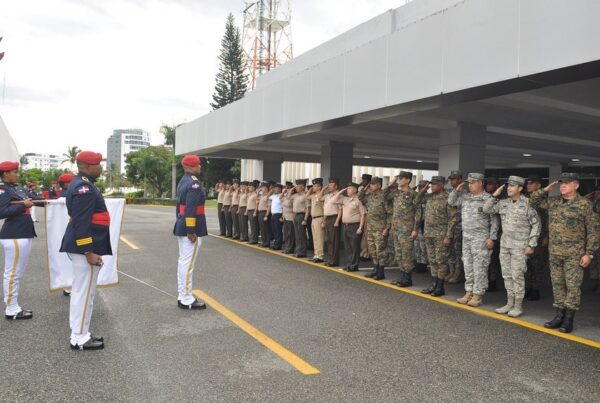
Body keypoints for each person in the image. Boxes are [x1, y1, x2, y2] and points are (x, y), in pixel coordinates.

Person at [530, 173, 599, 333]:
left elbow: (594, 231)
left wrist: (589, 253)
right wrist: (544, 189)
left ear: (576, 185)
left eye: (567, 183)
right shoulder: (554, 202)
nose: (562, 186)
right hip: (555, 253)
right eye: (561, 183)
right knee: (558, 285)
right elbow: (533, 202)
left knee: (572, 287)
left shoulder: (584, 205)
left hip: (574, 255)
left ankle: (569, 319)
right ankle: (559, 316)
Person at [60, 151, 111, 350]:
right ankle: (80, 337)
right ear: (89, 167)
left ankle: (79, 333)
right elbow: (81, 223)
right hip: (85, 248)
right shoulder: (84, 187)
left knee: (83, 291)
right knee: (84, 293)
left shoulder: (81, 182)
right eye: (99, 164)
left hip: (83, 246)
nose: (101, 167)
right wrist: (88, 251)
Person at [483, 176, 540, 318]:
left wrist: (531, 244)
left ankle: (518, 305)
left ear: (520, 188)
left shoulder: (528, 204)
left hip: (520, 247)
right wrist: (495, 195)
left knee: (517, 276)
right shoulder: (503, 203)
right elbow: (486, 209)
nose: (509, 188)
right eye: (508, 186)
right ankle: (509, 303)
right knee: (507, 275)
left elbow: (536, 225)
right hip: (505, 245)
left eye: (512, 186)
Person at [449, 173, 499, 307]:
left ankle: (478, 295)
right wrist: (456, 191)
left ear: (480, 183)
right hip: (467, 237)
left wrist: (492, 238)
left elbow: (494, 221)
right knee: (468, 266)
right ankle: (468, 292)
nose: (469, 185)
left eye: (472, 182)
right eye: (468, 183)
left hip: (481, 238)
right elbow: (451, 202)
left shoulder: (488, 199)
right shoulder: (466, 198)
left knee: (480, 267)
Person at [0, 161, 38, 320]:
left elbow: (35, 199)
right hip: (14, 235)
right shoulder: (3, 190)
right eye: (14, 172)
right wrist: (23, 205)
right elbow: (2, 212)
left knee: (18, 272)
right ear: (5, 174)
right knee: (13, 273)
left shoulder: (17, 188)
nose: (17, 174)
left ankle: (14, 305)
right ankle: (11, 308)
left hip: (23, 233)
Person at [172, 154, 208, 311]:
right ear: (192, 166)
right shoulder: (193, 184)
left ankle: (183, 295)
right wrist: (191, 230)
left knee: (183, 262)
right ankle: (186, 298)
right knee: (187, 264)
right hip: (190, 228)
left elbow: (179, 206)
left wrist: (182, 223)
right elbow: (191, 208)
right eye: (198, 165)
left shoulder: (183, 181)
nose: (200, 167)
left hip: (183, 224)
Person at [415, 176, 457, 297]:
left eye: (434, 184)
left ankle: (440, 287)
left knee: (441, 261)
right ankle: (434, 285)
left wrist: (448, 236)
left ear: (441, 185)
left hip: (441, 235)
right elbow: (416, 201)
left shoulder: (448, 198)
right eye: (431, 184)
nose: (432, 186)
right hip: (429, 234)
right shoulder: (429, 197)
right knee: (432, 260)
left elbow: (452, 219)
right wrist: (423, 190)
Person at [385, 171, 419, 286]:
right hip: (396, 229)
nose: (398, 180)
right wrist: (392, 182)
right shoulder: (396, 193)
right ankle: (402, 276)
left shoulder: (413, 194)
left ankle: (408, 278)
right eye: (398, 178)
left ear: (408, 180)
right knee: (399, 254)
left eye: (401, 178)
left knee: (406, 254)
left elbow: (418, 213)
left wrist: (415, 229)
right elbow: (384, 196)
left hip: (407, 230)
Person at [359, 176, 391, 280]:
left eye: (373, 184)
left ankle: (381, 272)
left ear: (379, 185)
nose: (371, 186)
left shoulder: (384, 196)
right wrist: (365, 187)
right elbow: (360, 197)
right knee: (373, 250)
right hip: (371, 227)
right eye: (370, 184)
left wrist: (387, 228)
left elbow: (389, 214)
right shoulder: (370, 196)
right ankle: (375, 269)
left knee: (380, 251)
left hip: (380, 228)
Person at [524, 175, 549, 301]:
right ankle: (528, 287)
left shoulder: (544, 201)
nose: (528, 185)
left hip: (540, 237)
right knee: (527, 264)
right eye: (528, 183)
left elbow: (551, 219)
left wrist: (547, 236)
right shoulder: (526, 199)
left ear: (539, 186)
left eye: (532, 183)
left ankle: (535, 290)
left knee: (537, 265)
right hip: (527, 237)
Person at [333, 183, 366, 272]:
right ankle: (349, 264)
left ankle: (354, 265)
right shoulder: (345, 199)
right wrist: (341, 191)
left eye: (350, 188)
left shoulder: (358, 201)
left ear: (355, 190)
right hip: (346, 225)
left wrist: (360, 227)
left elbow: (363, 214)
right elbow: (334, 200)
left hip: (355, 226)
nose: (348, 190)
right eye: (347, 189)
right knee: (347, 246)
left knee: (354, 246)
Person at [57, 172, 75, 297]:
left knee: (66, 260)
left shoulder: (59, 200)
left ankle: (67, 286)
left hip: (61, 235)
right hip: (72, 233)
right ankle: (70, 286)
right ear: (66, 184)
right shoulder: (72, 197)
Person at [446, 170, 465, 284]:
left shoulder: (464, 193)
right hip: (449, 225)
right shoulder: (449, 192)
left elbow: (454, 206)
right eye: (451, 179)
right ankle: (451, 270)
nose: (451, 181)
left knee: (458, 250)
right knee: (450, 249)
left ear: (459, 180)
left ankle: (457, 272)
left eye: (454, 179)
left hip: (458, 225)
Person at [485, 177, 502, 292]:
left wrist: (497, 235)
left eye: (491, 184)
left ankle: (493, 281)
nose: (488, 186)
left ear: (497, 186)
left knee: (494, 260)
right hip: (486, 233)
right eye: (487, 184)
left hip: (498, 234)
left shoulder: (500, 200)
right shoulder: (487, 198)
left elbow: (499, 219)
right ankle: (487, 280)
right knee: (487, 259)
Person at [323, 178, 342, 267]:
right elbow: (319, 197)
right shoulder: (328, 196)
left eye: (331, 185)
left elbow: (340, 210)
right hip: (327, 219)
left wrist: (337, 221)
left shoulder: (339, 196)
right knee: (328, 240)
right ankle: (330, 259)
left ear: (336, 186)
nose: (329, 187)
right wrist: (324, 188)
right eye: (329, 185)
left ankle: (334, 261)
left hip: (334, 219)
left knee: (334, 241)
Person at [307, 178, 325, 263]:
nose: (313, 187)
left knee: (319, 238)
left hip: (319, 218)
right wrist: (310, 189)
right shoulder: (313, 196)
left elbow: (324, 209)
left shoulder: (322, 196)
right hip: (313, 219)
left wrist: (324, 221)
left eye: (314, 186)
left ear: (319, 187)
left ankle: (320, 256)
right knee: (315, 238)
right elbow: (306, 196)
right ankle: (316, 254)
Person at [413, 179, 429, 273]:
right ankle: (418, 262)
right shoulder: (416, 196)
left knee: (423, 246)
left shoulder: (428, 197)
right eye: (419, 186)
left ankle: (423, 264)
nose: (420, 188)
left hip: (423, 224)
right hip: (416, 225)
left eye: (422, 186)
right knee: (416, 246)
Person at [291, 179, 309, 258]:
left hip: (302, 215)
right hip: (296, 215)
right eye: (296, 186)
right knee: (297, 234)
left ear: (303, 187)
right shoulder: (295, 196)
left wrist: (305, 219)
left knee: (302, 235)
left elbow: (308, 208)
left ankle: (302, 252)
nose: (296, 188)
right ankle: (298, 250)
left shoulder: (305, 196)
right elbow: (288, 197)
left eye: (298, 186)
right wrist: (292, 189)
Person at [359, 174, 372, 261]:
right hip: (361, 214)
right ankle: (364, 252)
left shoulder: (371, 190)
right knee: (363, 235)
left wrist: (366, 187)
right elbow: (359, 197)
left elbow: (362, 199)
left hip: (368, 214)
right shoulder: (362, 189)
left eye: (364, 180)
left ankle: (366, 254)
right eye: (362, 180)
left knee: (366, 235)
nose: (363, 181)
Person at [281, 182, 296, 254]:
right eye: (286, 188)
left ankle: (290, 248)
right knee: (286, 233)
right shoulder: (286, 197)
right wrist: (283, 192)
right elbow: (280, 198)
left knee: (291, 234)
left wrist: (290, 192)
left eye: (288, 188)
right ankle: (287, 247)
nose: (286, 190)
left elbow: (290, 205)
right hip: (285, 216)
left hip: (291, 217)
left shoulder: (293, 197)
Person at [268, 183, 284, 250]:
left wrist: (282, 216)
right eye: (275, 188)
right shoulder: (273, 196)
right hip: (273, 215)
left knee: (278, 231)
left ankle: (278, 245)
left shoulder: (282, 196)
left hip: (279, 214)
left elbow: (283, 207)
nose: (275, 189)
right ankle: (275, 244)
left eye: (277, 188)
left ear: (280, 189)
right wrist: (271, 190)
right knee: (274, 230)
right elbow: (267, 197)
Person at [257, 182, 271, 247]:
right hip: (260, 212)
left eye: (262, 187)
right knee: (262, 228)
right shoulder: (261, 195)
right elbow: (257, 197)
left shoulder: (268, 196)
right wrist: (258, 192)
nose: (261, 189)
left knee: (266, 228)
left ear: (266, 188)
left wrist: (266, 215)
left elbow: (269, 207)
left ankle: (267, 242)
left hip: (264, 213)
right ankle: (263, 241)